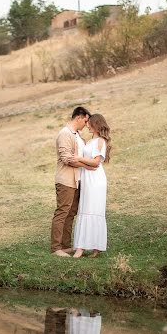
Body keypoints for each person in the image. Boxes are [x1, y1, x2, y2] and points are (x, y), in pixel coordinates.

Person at [50, 106, 94, 257]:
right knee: (62, 212)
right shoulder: (65, 133)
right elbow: (67, 158)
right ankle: (56, 248)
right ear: (78, 118)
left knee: (71, 213)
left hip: (77, 180)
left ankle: (65, 245)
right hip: (66, 180)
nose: (87, 124)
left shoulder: (78, 136)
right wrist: (86, 166)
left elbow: (79, 156)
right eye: (86, 121)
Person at [70, 113, 111, 258]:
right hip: (87, 179)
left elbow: (95, 162)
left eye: (89, 123)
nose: (87, 125)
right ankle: (93, 247)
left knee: (92, 210)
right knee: (85, 209)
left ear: (96, 124)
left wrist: (79, 158)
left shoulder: (100, 141)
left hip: (95, 180)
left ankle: (82, 248)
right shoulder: (90, 141)